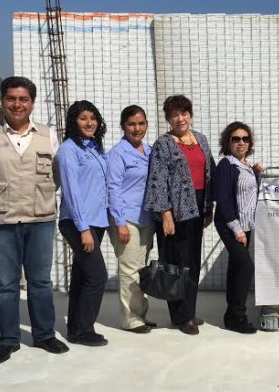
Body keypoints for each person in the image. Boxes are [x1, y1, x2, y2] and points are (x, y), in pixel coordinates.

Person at [0, 76, 69, 364]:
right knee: (6, 284)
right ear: (2, 101)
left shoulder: (47, 135)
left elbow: (57, 176)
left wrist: (40, 197)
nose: (17, 104)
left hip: (40, 220)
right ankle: (8, 340)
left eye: (23, 99)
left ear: (32, 103)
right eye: (11, 98)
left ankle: (45, 335)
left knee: (40, 282)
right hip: (1, 224)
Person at [144, 95, 215, 336]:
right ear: (168, 119)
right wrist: (165, 215)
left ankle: (190, 310)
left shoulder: (202, 140)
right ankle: (180, 316)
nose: (180, 118)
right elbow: (157, 181)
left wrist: (208, 209)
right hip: (174, 211)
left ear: (191, 115)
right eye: (174, 114)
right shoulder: (163, 144)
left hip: (196, 208)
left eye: (184, 113)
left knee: (192, 261)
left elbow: (208, 176)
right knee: (175, 263)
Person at [56, 100, 110, 347]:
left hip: (95, 222)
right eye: (83, 118)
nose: (89, 123)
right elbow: (72, 192)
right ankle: (84, 329)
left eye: (92, 118)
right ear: (73, 122)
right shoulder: (69, 150)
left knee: (81, 275)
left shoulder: (95, 148)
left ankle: (76, 329)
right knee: (98, 275)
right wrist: (83, 228)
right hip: (78, 223)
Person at [106, 105, 157, 334]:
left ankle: (140, 315)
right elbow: (113, 188)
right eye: (131, 124)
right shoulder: (118, 153)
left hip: (146, 218)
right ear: (123, 127)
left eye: (141, 123)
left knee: (141, 269)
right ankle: (130, 320)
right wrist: (120, 223)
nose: (137, 128)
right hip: (126, 219)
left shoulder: (148, 150)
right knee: (128, 270)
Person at [213, 122, 263, 334]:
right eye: (236, 139)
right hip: (231, 225)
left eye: (244, 139)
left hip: (246, 225)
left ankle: (230, 315)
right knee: (245, 267)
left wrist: (258, 174)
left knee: (236, 268)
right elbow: (223, 201)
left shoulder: (247, 167)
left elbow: (250, 195)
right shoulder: (226, 165)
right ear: (228, 142)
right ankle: (238, 315)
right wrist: (237, 229)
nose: (241, 142)